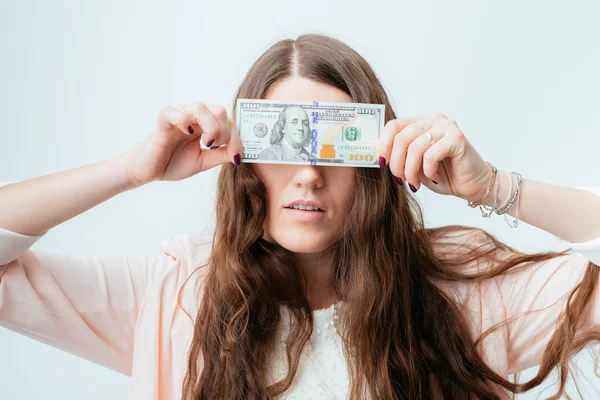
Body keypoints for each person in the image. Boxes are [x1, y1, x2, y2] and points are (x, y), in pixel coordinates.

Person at [1, 34, 599, 400]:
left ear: (374, 158)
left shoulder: (460, 296)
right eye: (283, 143)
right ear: (245, 160)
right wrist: (130, 170)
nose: (309, 173)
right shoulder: (178, 293)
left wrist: (493, 186)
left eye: (335, 144)